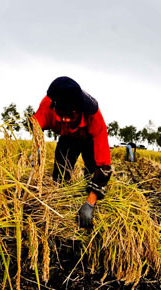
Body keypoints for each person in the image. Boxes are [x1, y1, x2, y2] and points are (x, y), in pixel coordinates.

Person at [31, 76, 112, 228]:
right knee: (60, 175)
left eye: (72, 114)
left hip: (89, 140)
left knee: (92, 173)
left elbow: (104, 166)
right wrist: (36, 150)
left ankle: (90, 204)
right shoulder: (47, 105)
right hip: (67, 139)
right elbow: (36, 127)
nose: (67, 120)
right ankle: (59, 201)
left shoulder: (94, 116)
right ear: (55, 107)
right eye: (63, 114)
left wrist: (90, 203)